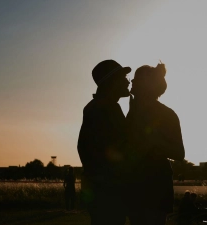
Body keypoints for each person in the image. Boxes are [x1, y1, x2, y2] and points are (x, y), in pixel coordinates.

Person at [126, 62, 185, 225]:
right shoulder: (133, 111)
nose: (132, 82)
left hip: (155, 186)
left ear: (147, 86)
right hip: (135, 185)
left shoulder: (167, 114)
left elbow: (179, 153)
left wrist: (153, 143)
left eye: (136, 79)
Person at [77, 60, 131, 225]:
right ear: (112, 82)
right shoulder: (106, 108)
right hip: (107, 189)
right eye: (123, 78)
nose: (128, 81)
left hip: (101, 187)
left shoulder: (97, 106)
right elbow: (119, 148)